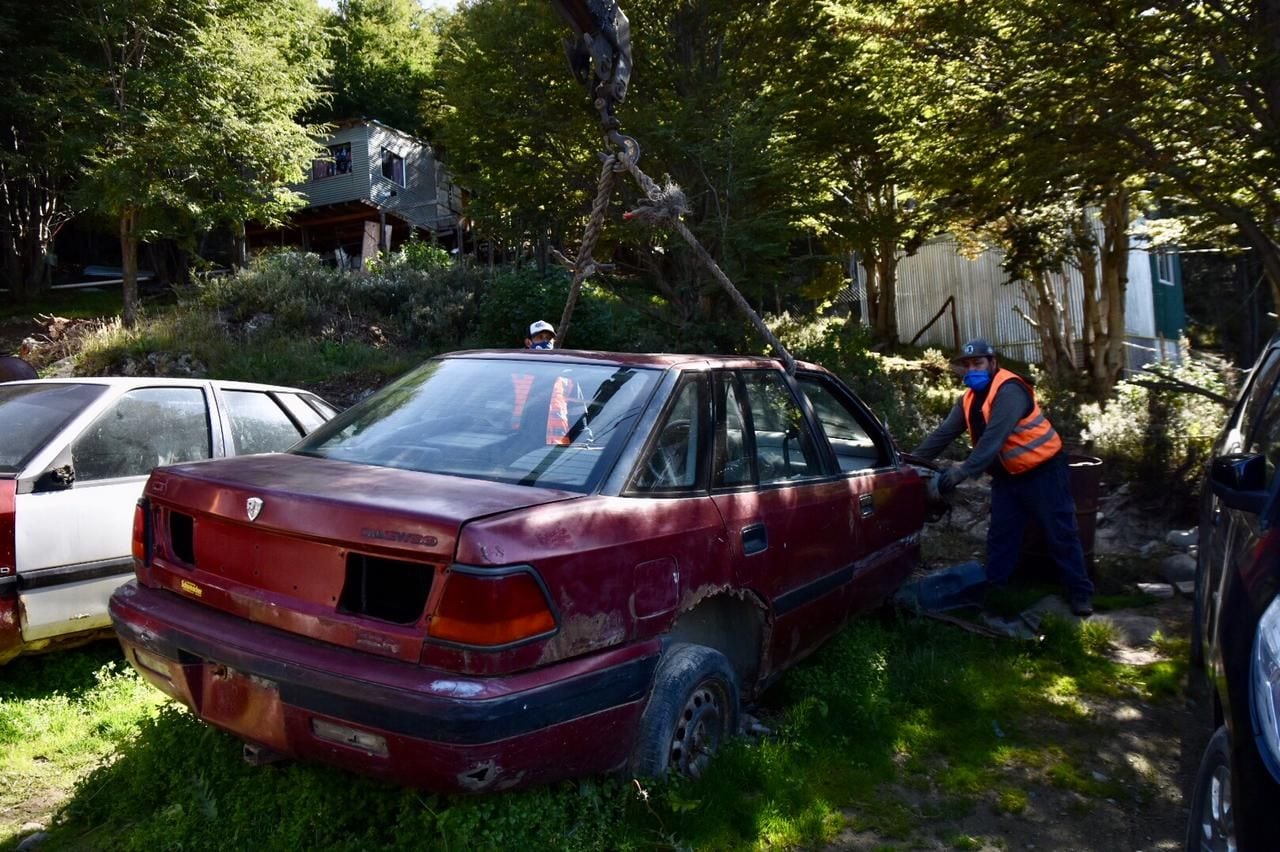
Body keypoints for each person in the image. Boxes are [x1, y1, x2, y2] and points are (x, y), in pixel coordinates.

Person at [912, 338, 1095, 616]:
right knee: (1001, 536)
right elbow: (942, 435)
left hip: (1043, 471)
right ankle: (995, 594)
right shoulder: (969, 400)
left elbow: (992, 440)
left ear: (993, 363)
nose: (972, 369)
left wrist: (961, 472)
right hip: (1009, 477)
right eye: (968, 365)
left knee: (1061, 533)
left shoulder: (1010, 390)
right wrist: (908, 462)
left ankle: (1080, 594)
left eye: (978, 363)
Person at [512, 320, 571, 443]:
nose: (545, 341)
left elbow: (579, 415)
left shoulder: (565, 377)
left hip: (556, 446)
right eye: (539, 337)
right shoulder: (515, 374)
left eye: (549, 338)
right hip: (518, 442)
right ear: (528, 342)